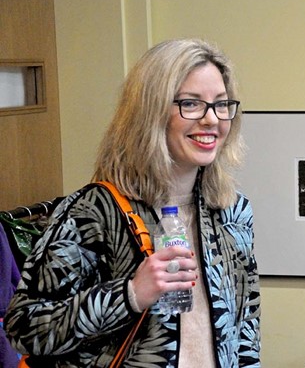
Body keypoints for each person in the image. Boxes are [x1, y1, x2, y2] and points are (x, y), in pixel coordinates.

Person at [5, 39, 261, 367]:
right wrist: (129, 295)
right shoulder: (93, 212)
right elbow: (24, 327)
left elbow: (247, 327)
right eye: (192, 104)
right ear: (150, 112)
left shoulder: (233, 212)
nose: (212, 119)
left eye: (221, 104)